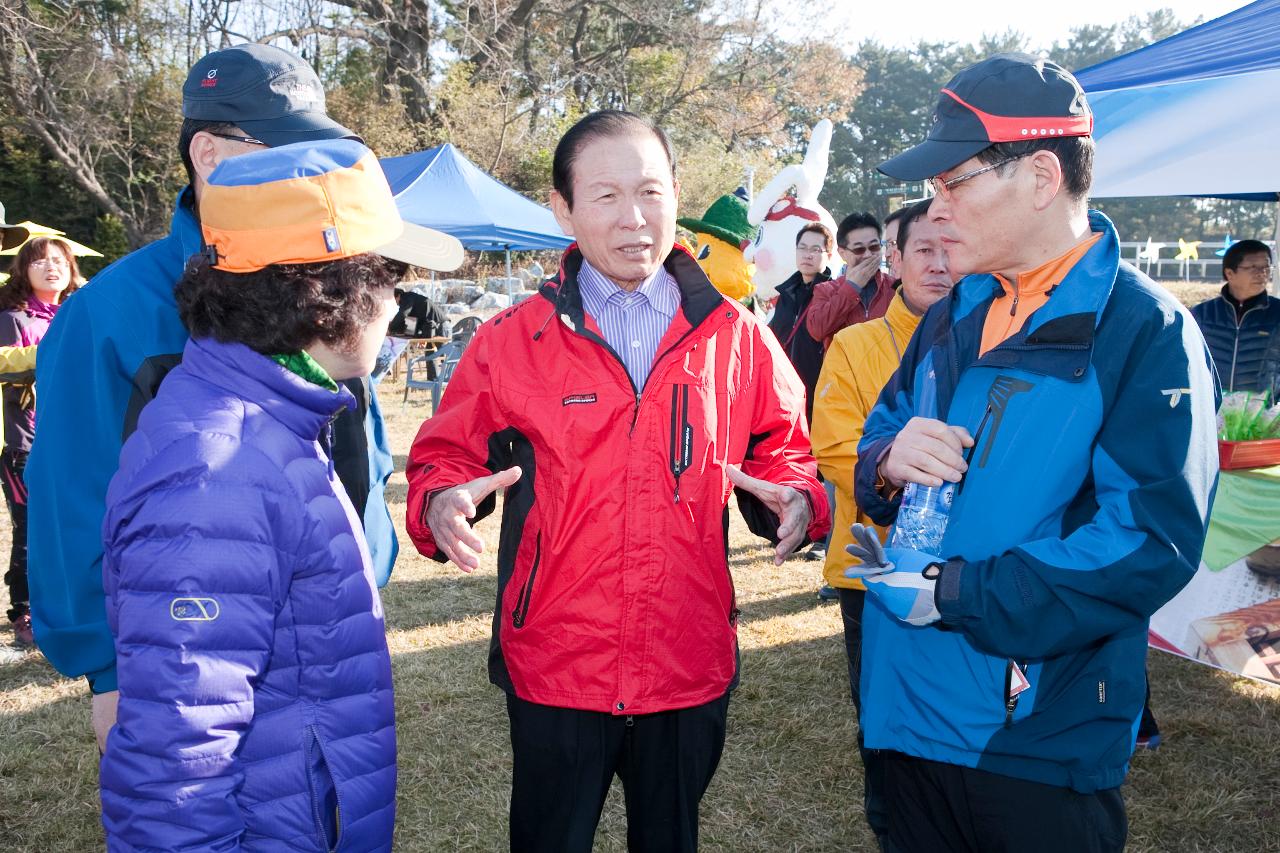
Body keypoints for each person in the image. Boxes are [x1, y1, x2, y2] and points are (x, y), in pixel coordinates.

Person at [405, 109, 828, 853]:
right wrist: (441, 498)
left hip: (685, 657)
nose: (634, 218)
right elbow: (445, 452)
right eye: (604, 196)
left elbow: (788, 448)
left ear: (676, 195)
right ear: (562, 209)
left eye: (651, 192)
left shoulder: (735, 336)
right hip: (558, 660)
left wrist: (798, 498)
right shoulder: (511, 340)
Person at [848, 53, 1219, 852]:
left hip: (1032, 739)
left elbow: (1148, 541)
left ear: (1042, 175)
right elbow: (881, 440)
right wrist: (884, 463)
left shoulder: (1143, 331)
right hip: (904, 712)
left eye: (955, 181)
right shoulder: (954, 312)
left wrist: (959, 592)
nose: (935, 208)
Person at [23, 43, 408, 753]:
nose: (310, 172)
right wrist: (108, 673)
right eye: (282, 150)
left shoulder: (330, 281)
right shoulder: (106, 315)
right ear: (207, 153)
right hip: (179, 659)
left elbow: (361, 451)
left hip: (330, 639)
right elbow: (70, 500)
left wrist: (367, 582)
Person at [98, 139, 452, 852]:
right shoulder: (214, 468)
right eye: (388, 279)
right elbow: (177, 757)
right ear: (329, 295)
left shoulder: (271, 420)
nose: (395, 304)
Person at [810, 197, 953, 847]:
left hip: (964, 565)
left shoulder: (994, 340)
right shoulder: (856, 344)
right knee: (883, 711)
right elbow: (838, 450)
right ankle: (891, 822)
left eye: (952, 247)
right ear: (894, 259)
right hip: (870, 550)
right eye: (924, 248)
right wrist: (896, 468)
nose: (941, 262)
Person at [0, 237, 82, 646]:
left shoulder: (77, 314)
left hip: (75, 437)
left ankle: (68, 605)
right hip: (26, 444)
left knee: (74, 524)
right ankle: (25, 611)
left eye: (59, 261)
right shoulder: (15, 318)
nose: (52, 268)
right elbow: (9, 371)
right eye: (40, 262)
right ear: (23, 271)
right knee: (31, 531)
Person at [1190, 239, 1280, 393]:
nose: (1262, 274)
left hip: (1264, 413)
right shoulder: (1201, 315)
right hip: (1211, 410)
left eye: (1266, 267)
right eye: (1253, 267)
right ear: (1229, 273)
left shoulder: (1277, 314)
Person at [805, 212, 896, 348]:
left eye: (874, 247)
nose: (868, 255)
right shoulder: (825, 290)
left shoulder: (896, 288)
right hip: (842, 368)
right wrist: (852, 287)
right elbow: (817, 330)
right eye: (859, 249)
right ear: (842, 253)